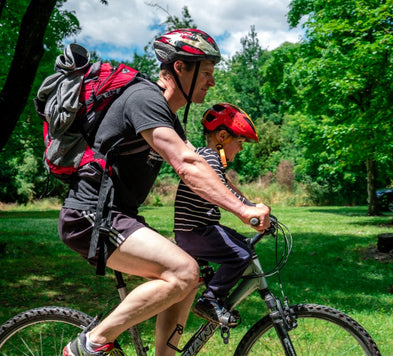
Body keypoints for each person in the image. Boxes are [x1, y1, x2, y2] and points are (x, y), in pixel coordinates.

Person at [60, 29, 270, 356]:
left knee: (190, 278)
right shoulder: (144, 99)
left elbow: (199, 166)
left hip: (118, 216)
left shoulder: (166, 115)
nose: (212, 82)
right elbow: (186, 164)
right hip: (91, 216)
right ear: (180, 68)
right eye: (207, 73)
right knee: (183, 271)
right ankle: (90, 344)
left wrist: (245, 203)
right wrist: (243, 212)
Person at [174, 103, 260, 326]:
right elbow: (222, 191)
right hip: (195, 232)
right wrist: (248, 210)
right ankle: (210, 300)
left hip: (202, 229)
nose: (240, 150)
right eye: (239, 143)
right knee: (241, 255)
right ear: (222, 136)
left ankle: (215, 294)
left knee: (244, 245)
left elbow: (228, 188)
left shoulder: (208, 158)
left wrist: (250, 205)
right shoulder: (209, 158)